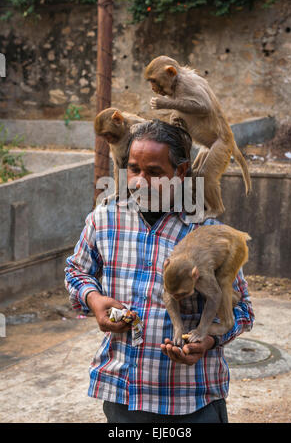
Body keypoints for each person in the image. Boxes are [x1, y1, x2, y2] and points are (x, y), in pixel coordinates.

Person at [64, 119, 254, 423]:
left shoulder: (207, 232)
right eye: (134, 169)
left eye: (154, 172)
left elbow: (244, 310)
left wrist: (209, 340)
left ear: (180, 172)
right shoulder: (105, 219)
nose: (139, 181)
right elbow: (76, 271)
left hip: (192, 400)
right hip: (123, 396)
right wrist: (94, 301)